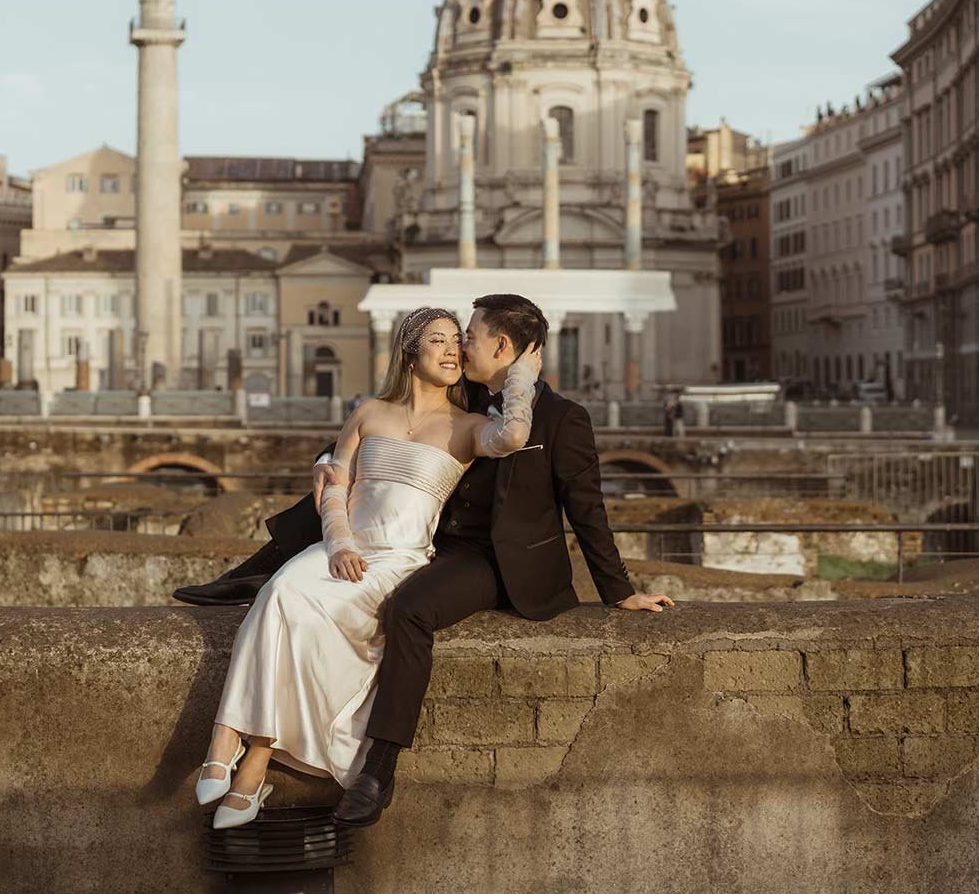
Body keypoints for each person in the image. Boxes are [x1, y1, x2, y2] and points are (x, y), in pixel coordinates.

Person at [179, 294, 673, 828]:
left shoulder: (559, 418)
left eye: (470, 336)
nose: (461, 344)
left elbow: (587, 508)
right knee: (337, 493)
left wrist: (619, 591)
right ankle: (253, 575)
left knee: (408, 608)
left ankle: (379, 768)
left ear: (501, 345)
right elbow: (385, 436)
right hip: (441, 545)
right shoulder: (457, 395)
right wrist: (329, 459)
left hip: (499, 561)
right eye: (448, 337)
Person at [195, 306, 541, 828]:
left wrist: (522, 376)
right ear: (409, 351)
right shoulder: (369, 412)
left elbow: (514, 436)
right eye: (438, 340)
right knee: (282, 591)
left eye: (457, 340)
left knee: (296, 605)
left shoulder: (470, 427)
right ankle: (228, 742)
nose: (452, 350)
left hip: (400, 560)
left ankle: (253, 757)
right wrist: (337, 545)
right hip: (344, 548)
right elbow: (336, 487)